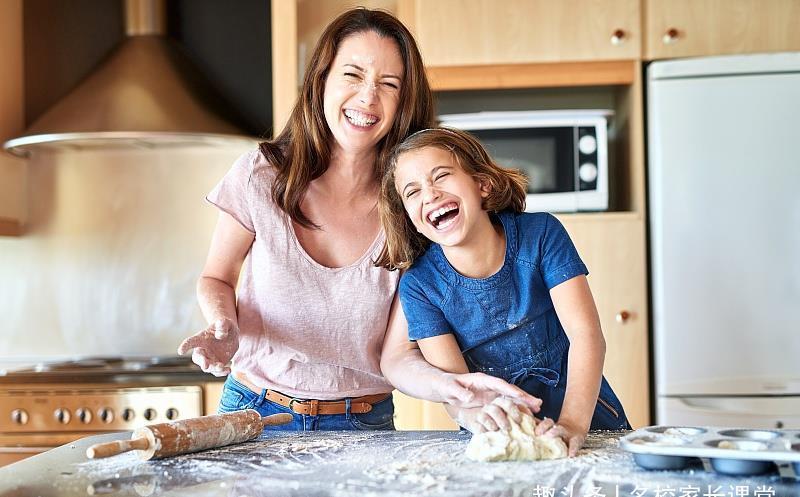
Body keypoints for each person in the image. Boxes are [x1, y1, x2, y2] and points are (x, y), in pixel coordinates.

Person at [177, 8, 538, 432]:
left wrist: (463, 398)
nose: (368, 98)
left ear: (404, 103)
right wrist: (225, 327)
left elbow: (400, 353)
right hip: (253, 412)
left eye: (388, 84)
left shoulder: (413, 204)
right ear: (322, 80)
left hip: (362, 423)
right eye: (353, 75)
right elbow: (217, 278)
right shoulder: (261, 175)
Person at [375, 127, 630, 454]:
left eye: (441, 176)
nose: (430, 194)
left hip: (591, 425)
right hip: (500, 437)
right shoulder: (420, 287)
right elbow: (458, 389)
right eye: (412, 192)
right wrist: (478, 415)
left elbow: (586, 335)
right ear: (409, 217)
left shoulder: (541, 234)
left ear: (482, 184)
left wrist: (572, 426)